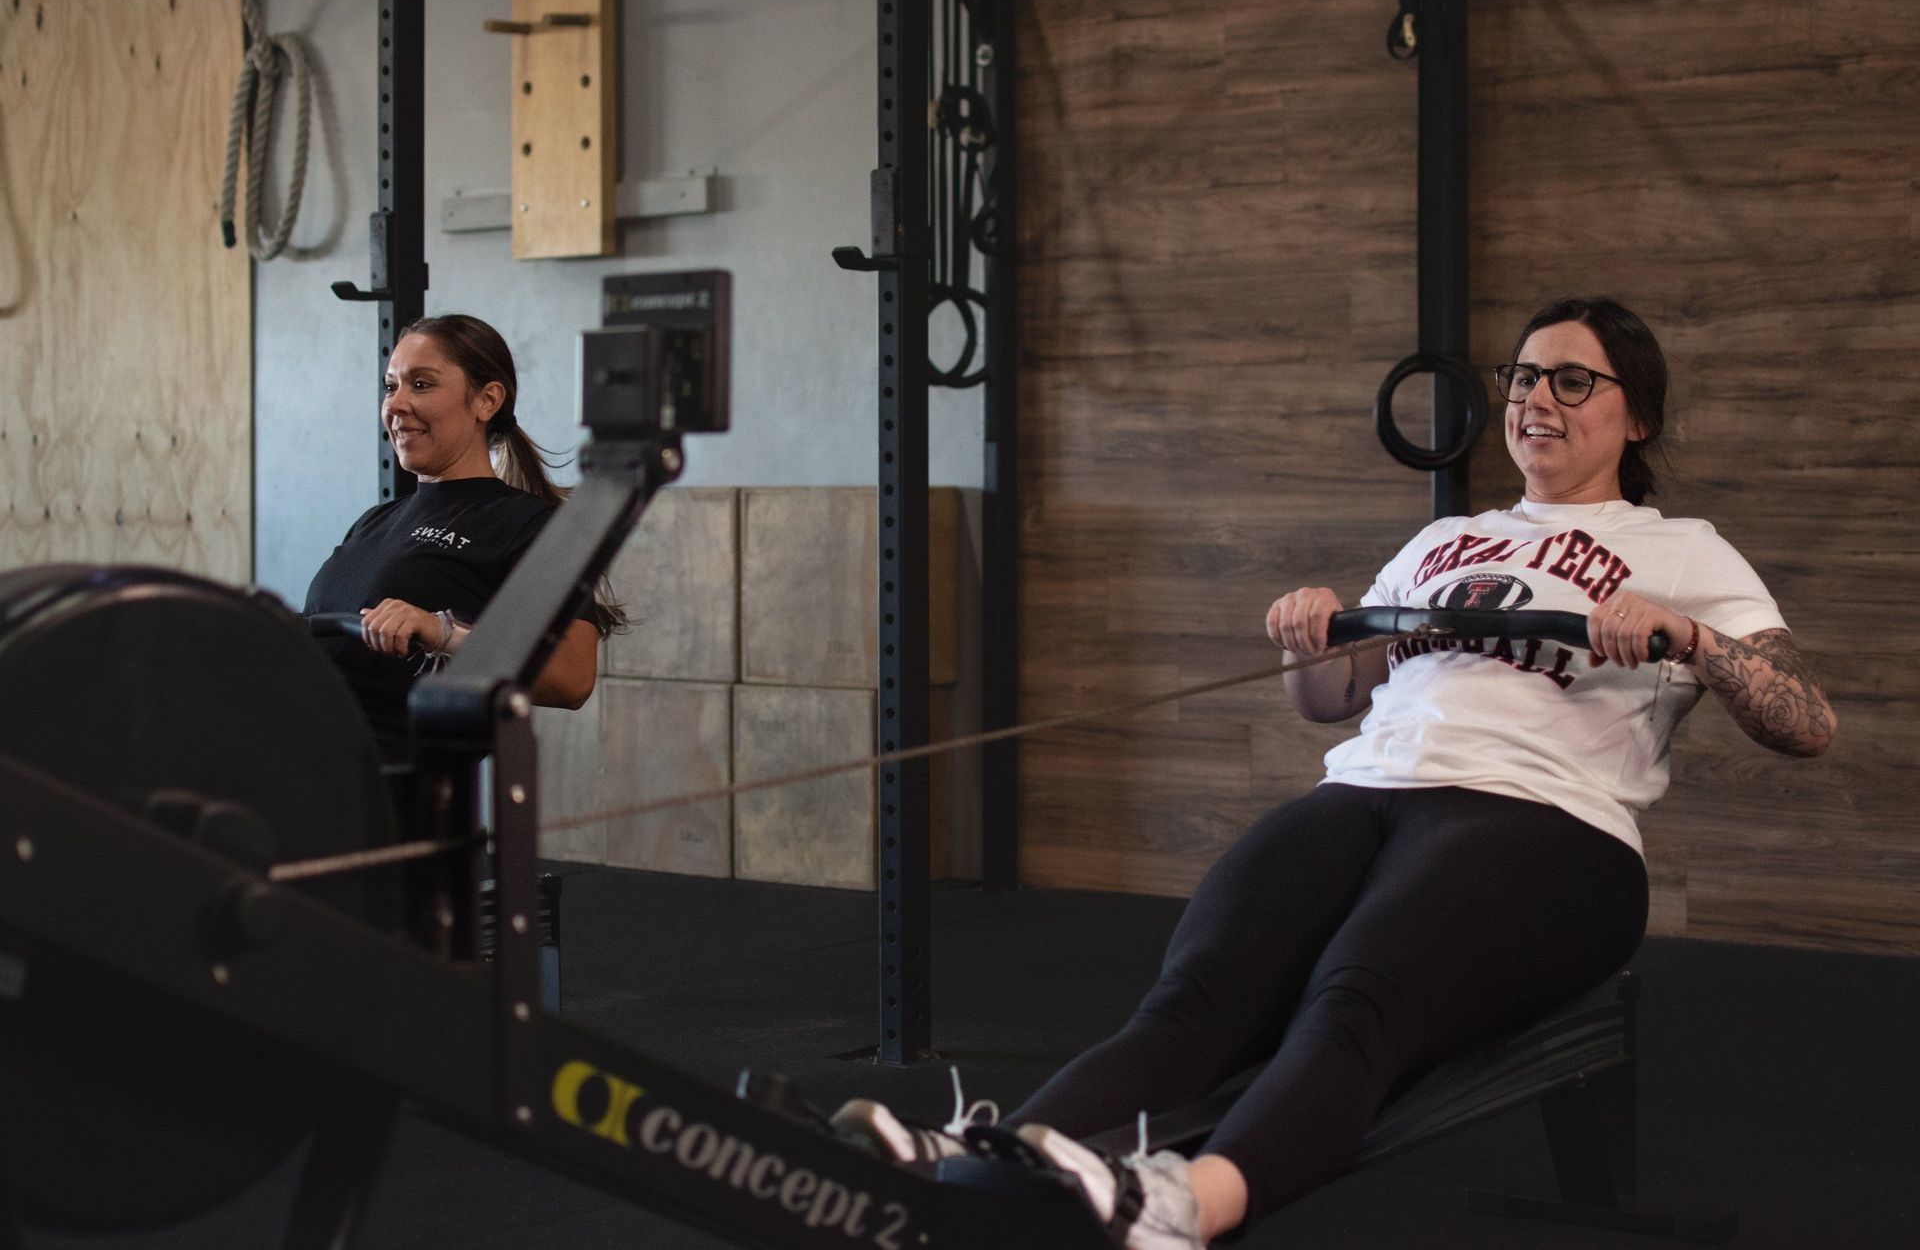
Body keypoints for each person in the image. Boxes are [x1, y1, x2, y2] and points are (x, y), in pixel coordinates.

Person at [832, 298, 1836, 1247]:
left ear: (1639, 416)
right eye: (1525, 376)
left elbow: (1804, 720)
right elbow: (1332, 699)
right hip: (1367, 792)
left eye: (1573, 380)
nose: (1535, 399)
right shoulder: (1448, 539)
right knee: (1193, 999)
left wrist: (1691, 636)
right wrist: (1308, 638)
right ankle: (976, 1167)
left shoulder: (1682, 549)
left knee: (1358, 996)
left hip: (1547, 821)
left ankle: (1185, 1206)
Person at [303, 314, 624, 762]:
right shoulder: (375, 521)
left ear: (487, 400)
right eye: (391, 386)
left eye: (421, 385)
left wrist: (439, 631)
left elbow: (571, 678)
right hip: (303, 767)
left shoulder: (527, 523)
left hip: (391, 797)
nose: (395, 405)